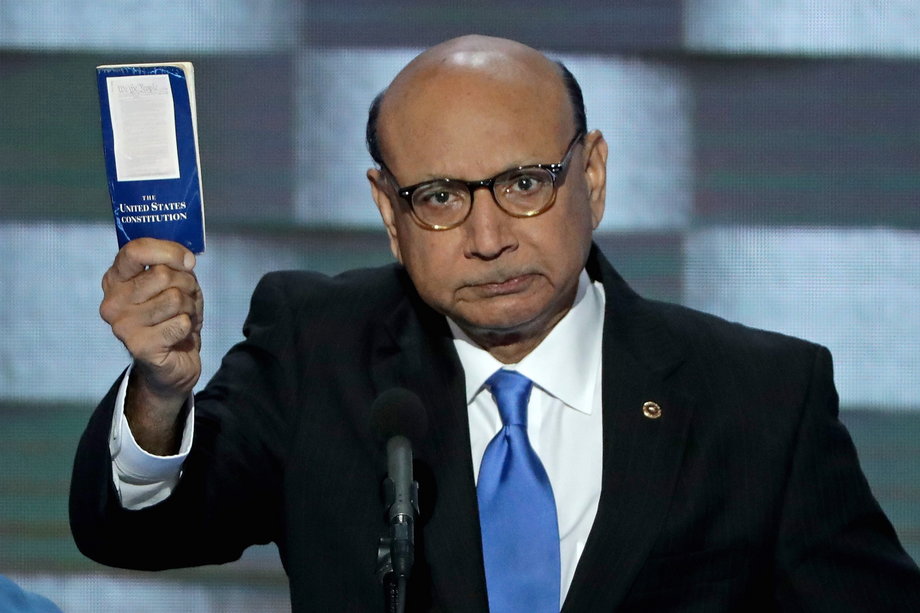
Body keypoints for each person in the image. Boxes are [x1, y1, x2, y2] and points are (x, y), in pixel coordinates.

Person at [70, 35, 920, 612]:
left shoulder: (761, 397)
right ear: (387, 211)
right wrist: (159, 393)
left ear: (591, 174)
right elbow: (137, 529)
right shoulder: (316, 347)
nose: (486, 238)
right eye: (438, 197)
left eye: (523, 183)